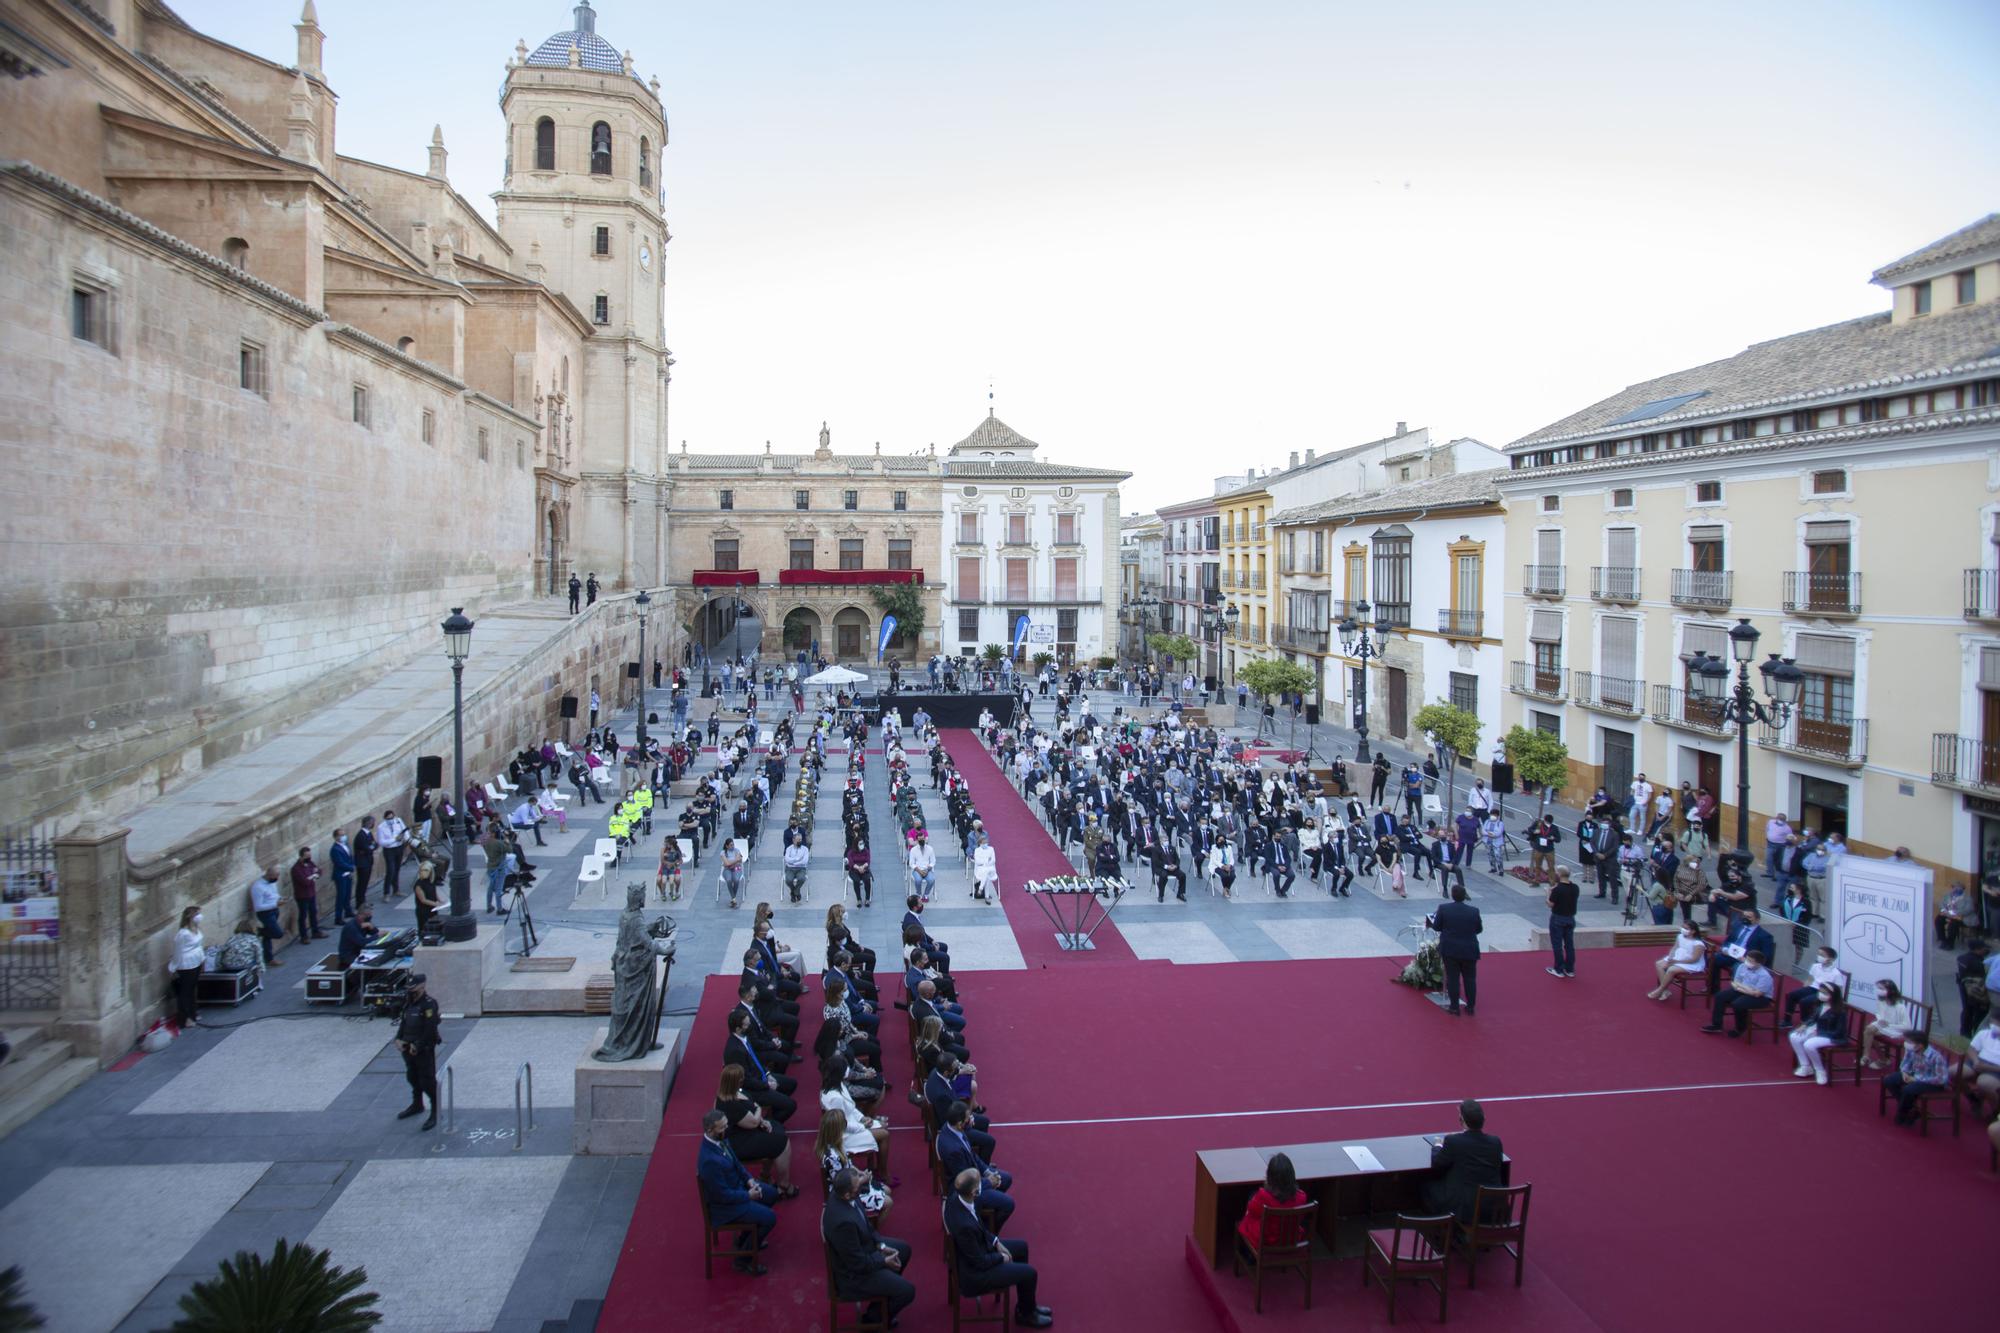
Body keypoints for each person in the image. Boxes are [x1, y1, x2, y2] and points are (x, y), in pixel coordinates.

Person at [944, 1168, 1053, 1328]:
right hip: (976, 1275)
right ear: (974, 1192)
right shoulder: (964, 1226)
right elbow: (980, 1262)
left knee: (1022, 1248)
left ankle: (1025, 1306)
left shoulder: (958, 1197)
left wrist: (996, 1242)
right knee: (1030, 1273)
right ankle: (1026, 1315)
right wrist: (1002, 1257)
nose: (983, 1184)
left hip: (979, 1250)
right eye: (980, 1183)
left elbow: (979, 1227)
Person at [823, 1167, 916, 1325]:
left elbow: (867, 1226)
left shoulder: (845, 1193)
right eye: (858, 1185)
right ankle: (873, 1320)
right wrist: (883, 1261)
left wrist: (881, 1246)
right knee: (907, 1291)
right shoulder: (843, 1223)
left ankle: (880, 1304)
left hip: (865, 1250)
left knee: (904, 1249)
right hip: (854, 1277)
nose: (862, 1185)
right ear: (847, 1194)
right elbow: (858, 1264)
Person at [698, 1108, 775, 1276]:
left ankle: (746, 1240)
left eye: (726, 1125)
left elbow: (737, 1165)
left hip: (739, 1188)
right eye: (722, 1127)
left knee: (771, 1194)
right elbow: (722, 1196)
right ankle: (742, 1261)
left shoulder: (721, 1139)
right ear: (710, 1130)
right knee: (770, 1218)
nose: (726, 1129)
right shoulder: (709, 1161)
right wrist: (748, 1195)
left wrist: (750, 1181)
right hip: (726, 1208)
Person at [716, 1064, 796, 1195]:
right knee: (782, 1142)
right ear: (734, 1082)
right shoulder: (728, 1103)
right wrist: (758, 1110)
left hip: (746, 1130)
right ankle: (784, 1185)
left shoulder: (738, 1092)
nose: (743, 1080)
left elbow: (753, 1114)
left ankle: (765, 1175)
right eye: (741, 1079)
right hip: (739, 1142)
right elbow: (753, 1121)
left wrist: (762, 1120)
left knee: (777, 1129)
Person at [1423, 1098, 1505, 1223]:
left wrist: (1438, 1146)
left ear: (1461, 1120)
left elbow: (1437, 1164)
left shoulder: (1453, 1141)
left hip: (1467, 1211)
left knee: (1426, 1187)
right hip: (1494, 1208)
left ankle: (1441, 1230)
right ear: (1484, 1120)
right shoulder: (1496, 1142)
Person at [937, 1101, 1015, 1232]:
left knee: (1006, 1179)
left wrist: (987, 1171)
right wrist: (989, 1183)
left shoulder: (953, 1129)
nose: (971, 1120)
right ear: (960, 1123)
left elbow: (972, 1155)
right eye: (968, 1119)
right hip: (964, 1192)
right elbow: (964, 1184)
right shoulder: (953, 1150)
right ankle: (986, 1233)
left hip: (973, 1175)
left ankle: (985, 1217)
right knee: (1009, 1204)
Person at [1235, 1152, 1309, 1252]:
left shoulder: (1263, 1197)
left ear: (1270, 1177)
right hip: (1290, 1240)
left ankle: (1248, 1254)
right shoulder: (1302, 1197)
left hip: (1267, 1242)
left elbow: (1251, 1211)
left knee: (1250, 1203)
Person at [395, 973, 441, 1129]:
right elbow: (404, 1021)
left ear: (422, 985)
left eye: (413, 986)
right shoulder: (408, 1002)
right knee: (412, 1077)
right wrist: (398, 1038)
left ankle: (435, 1110)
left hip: (423, 1048)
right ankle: (417, 1104)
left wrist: (419, 1045)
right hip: (407, 1046)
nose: (411, 990)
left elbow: (430, 1028)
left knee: (427, 1081)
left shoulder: (429, 1004)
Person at [1430, 884, 1482, 1017]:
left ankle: (1454, 1007)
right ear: (1464, 895)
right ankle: (1470, 1007)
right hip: (1469, 949)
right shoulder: (1474, 911)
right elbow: (1479, 929)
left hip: (1450, 949)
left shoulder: (1444, 909)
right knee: (1470, 979)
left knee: (1453, 978)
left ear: (1452, 895)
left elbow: (1436, 927)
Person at [1882, 1031, 1949, 1126]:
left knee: (1908, 1090)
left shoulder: (1936, 1057)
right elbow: (1905, 1063)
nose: (1906, 1044)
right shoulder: (1911, 1050)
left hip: (1932, 1083)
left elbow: (1941, 1079)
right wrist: (1904, 1073)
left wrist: (1915, 1079)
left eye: (1910, 1042)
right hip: (1914, 1075)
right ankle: (1911, 1108)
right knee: (1889, 1080)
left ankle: (1903, 1112)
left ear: (1920, 1045)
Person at [1787, 983, 1850, 1085]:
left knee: (1809, 1044)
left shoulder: (1840, 1011)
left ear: (1833, 995)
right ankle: (1805, 1066)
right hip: (1818, 1030)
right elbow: (1813, 1018)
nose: (1821, 995)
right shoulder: (1821, 1004)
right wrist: (1805, 1025)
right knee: (1794, 1036)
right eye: (1820, 992)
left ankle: (1820, 1070)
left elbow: (1839, 1032)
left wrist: (1818, 1033)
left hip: (1831, 1036)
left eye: (1824, 993)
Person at [1701, 949, 1774, 1036]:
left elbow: (1757, 993)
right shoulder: (1742, 966)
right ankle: (1717, 1025)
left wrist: (1742, 988)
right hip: (1743, 990)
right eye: (1747, 959)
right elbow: (1735, 982)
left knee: (1738, 1004)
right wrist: (1743, 988)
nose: (1747, 962)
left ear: (1758, 963)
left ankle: (1740, 1028)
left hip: (1760, 998)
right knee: (1720, 996)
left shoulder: (1764, 975)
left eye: (1750, 961)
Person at [1705, 909, 1774, 991]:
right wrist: (1725, 949)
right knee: (1713, 959)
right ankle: (1713, 987)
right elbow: (1728, 941)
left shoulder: (1764, 935)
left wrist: (1748, 960)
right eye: (1744, 916)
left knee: (1738, 968)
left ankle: (1735, 992)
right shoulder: (1738, 927)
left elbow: (1766, 955)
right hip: (1731, 955)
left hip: (1745, 960)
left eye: (1749, 917)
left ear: (1757, 919)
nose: (1745, 919)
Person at [1782, 946, 1848, 1027]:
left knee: (1805, 1001)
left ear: (1831, 959)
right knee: (1792, 995)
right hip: (1813, 988)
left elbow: (1839, 990)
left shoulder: (1836, 974)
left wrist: (1834, 1000)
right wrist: (1803, 989)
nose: (1819, 957)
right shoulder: (1815, 966)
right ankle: (1787, 1020)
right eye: (1819, 954)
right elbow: (1810, 980)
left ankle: (1805, 1023)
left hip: (1825, 992)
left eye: (1823, 955)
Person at [1645, 920, 1708, 1000]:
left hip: (1690, 964)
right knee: (1659, 964)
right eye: (1683, 927)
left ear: (1693, 931)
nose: (1683, 929)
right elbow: (1675, 947)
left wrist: (1676, 962)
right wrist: (1671, 955)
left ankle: (1660, 989)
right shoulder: (1680, 936)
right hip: (1678, 958)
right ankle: (1666, 991)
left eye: (1686, 928)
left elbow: (1694, 959)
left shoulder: (1698, 944)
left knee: (1671, 969)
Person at [1858, 980, 1914, 1068]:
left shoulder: (1900, 1007)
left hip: (1896, 1029)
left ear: (1890, 991)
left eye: (1881, 988)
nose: (1878, 990)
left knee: (1869, 1033)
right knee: (1869, 1030)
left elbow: (1907, 1027)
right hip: (1883, 1026)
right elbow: (1879, 1013)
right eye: (1878, 988)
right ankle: (1868, 1056)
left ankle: (1880, 1059)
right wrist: (1880, 1020)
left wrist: (1889, 1025)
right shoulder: (1881, 1001)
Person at [169, 905, 205, 1029]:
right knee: (185, 992)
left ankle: (193, 1013)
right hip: (186, 964)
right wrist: (173, 967)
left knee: (193, 990)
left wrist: (202, 961)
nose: (200, 916)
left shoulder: (196, 929)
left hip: (196, 961)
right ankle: (185, 1018)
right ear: (190, 916)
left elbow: (199, 946)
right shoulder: (183, 933)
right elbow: (178, 951)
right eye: (197, 914)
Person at [1545, 866, 1578, 979]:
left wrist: (1548, 893)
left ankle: (1558, 969)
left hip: (1558, 919)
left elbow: (1550, 904)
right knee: (1569, 945)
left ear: (1559, 875)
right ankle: (1569, 969)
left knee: (1557, 944)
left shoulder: (1558, 890)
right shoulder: (1575, 888)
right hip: (1570, 918)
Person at [249, 865, 284, 968]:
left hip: (274, 911)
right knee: (277, 933)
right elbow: (258, 907)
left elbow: (274, 895)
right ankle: (258, 931)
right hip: (266, 913)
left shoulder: (272, 882)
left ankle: (269, 958)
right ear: (269, 875)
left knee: (267, 936)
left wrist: (280, 899)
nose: (277, 878)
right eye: (275, 876)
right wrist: (275, 904)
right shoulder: (258, 887)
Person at [290, 846, 324, 947]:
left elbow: (318, 871)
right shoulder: (296, 869)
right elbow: (304, 882)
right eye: (307, 856)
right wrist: (313, 876)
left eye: (310, 855)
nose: (309, 857)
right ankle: (304, 936)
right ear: (301, 856)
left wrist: (314, 876)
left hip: (311, 893)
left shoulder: (310, 863)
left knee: (313, 912)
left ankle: (315, 931)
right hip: (302, 896)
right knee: (303, 916)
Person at [328, 828, 355, 925]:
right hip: (341, 875)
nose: (343, 836)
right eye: (341, 835)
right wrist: (351, 868)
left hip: (348, 874)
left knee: (347, 894)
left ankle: (348, 911)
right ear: (336, 837)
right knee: (341, 896)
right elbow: (339, 863)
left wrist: (352, 866)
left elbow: (350, 857)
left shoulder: (346, 845)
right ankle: (338, 917)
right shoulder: (335, 849)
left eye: (344, 834)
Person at [909, 829, 938, 901]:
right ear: (917, 840)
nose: (921, 840)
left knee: (931, 880)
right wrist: (919, 870)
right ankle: (919, 894)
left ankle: (926, 894)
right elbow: (911, 863)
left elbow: (933, 861)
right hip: (917, 870)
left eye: (922, 839)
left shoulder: (930, 849)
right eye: (919, 839)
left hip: (927, 870)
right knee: (918, 880)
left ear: (924, 839)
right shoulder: (913, 850)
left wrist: (928, 869)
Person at [720, 838, 746, 909]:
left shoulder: (737, 850)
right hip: (727, 870)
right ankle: (734, 898)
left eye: (733, 844)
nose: (733, 846)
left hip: (736, 869)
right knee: (729, 880)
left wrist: (730, 864)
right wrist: (735, 861)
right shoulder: (723, 853)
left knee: (736, 880)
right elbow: (729, 863)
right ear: (727, 846)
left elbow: (738, 861)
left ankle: (733, 899)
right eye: (731, 845)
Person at [658, 835, 683, 903]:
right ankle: (662, 893)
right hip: (665, 867)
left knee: (677, 879)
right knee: (659, 880)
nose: (664, 844)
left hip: (673, 867)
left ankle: (676, 891)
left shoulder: (676, 850)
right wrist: (667, 862)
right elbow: (662, 860)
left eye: (665, 842)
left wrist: (674, 864)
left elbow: (680, 860)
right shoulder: (663, 849)